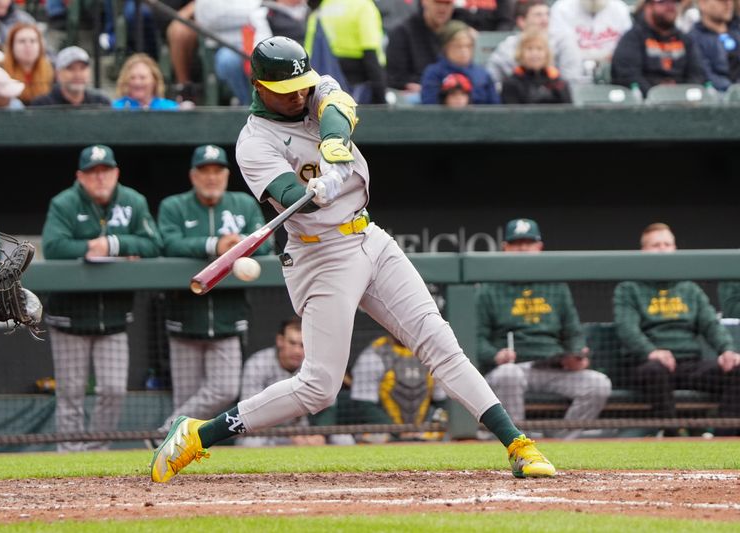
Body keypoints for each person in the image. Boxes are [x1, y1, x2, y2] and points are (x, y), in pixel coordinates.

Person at [150, 36, 556, 483]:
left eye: (301, 86)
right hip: (320, 255)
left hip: (369, 236)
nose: (299, 95)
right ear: (259, 87)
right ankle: (196, 435)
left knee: (438, 341)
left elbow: (336, 104)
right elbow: (289, 198)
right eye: (287, 90)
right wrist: (311, 193)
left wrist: (334, 149)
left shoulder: (313, 87)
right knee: (318, 388)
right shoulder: (253, 143)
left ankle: (518, 443)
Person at [41, 145, 163, 451]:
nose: (100, 178)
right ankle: (68, 455)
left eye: (105, 171)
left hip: (113, 315)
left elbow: (154, 244)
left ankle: (96, 451)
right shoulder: (65, 203)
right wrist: (88, 248)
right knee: (70, 393)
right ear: (80, 176)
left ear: (116, 173)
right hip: (69, 315)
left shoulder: (133, 201)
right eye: (93, 173)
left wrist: (112, 243)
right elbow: (54, 247)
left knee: (113, 390)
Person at [156, 144, 270, 431]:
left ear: (226, 175)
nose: (211, 177)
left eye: (217, 171)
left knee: (225, 389)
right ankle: (184, 456)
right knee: (186, 397)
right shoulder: (174, 206)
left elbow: (266, 241)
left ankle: (165, 432)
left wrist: (238, 246)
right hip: (185, 316)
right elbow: (167, 243)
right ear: (193, 176)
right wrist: (214, 245)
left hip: (227, 317)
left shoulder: (243, 204)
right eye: (204, 171)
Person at [475, 218, 611, 439]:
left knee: (598, 383)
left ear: (539, 247)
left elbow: (573, 332)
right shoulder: (489, 287)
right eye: (516, 244)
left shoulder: (555, 285)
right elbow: (475, 338)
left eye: (528, 243)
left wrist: (577, 355)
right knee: (508, 375)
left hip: (554, 368)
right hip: (513, 368)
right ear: (505, 248)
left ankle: (562, 445)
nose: (522, 249)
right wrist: (495, 355)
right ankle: (517, 443)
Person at [613, 223, 740, 436]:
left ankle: (722, 438)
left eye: (667, 244)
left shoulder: (689, 288)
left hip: (689, 365)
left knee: (737, 369)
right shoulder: (629, 288)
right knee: (654, 371)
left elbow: (711, 325)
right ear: (643, 251)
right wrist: (651, 352)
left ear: (675, 248)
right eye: (656, 245)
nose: (662, 249)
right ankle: (673, 434)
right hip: (649, 366)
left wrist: (727, 350)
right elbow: (627, 329)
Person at [237, 316, 351, 447]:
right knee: (252, 443)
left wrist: (320, 433)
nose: (297, 351)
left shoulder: (314, 364)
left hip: (303, 430)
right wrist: (290, 436)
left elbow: (329, 406)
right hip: (265, 431)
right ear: (280, 341)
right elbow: (251, 412)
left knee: (344, 439)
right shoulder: (258, 364)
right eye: (292, 343)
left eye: (302, 345)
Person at [386, 0, 501, 101]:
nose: (442, 8)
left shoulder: (461, 23)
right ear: (424, 2)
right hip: (422, 98)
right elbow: (395, 78)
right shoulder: (402, 32)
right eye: (438, 2)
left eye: (447, 3)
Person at [350, 334, 448, 441]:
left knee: (440, 431)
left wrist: (426, 427)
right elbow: (364, 405)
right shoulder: (373, 354)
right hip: (386, 432)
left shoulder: (431, 354)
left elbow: (440, 402)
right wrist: (398, 431)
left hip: (423, 430)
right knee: (371, 438)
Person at [611, 0, 706, 95]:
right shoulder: (632, 38)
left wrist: (683, 94)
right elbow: (628, 77)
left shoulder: (686, 40)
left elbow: (697, 75)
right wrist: (658, 95)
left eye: (674, 2)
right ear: (647, 7)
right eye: (662, 1)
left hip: (683, 103)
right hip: (646, 105)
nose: (670, 6)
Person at [304, 0, 388, 104]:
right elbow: (371, 54)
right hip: (360, 84)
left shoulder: (321, 8)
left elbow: (309, 54)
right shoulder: (363, 6)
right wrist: (382, 99)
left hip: (326, 86)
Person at [194, 0, 272, 106]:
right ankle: (249, 105)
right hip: (227, 46)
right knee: (228, 60)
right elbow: (209, 18)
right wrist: (256, 12)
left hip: (263, 38)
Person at [487, 0, 585, 85]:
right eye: (538, 15)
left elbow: (571, 80)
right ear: (522, 21)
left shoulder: (563, 41)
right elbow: (492, 77)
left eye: (547, 14)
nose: (545, 20)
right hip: (517, 100)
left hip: (555, 100)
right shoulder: (508, 45)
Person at [420, 20, 500, 105]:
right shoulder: (434, 74)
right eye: (458, 46)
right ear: (446, 48)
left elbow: (494, 107)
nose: (464, 51)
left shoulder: (483, 74)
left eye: (468, 46)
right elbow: (429, 107)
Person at [549, 0, 633, 80]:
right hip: (571, 74)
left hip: (612, 73)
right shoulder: (562, 8)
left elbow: (628, 47)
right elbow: (554, 48)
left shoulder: (620, 8)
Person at [501, 30, 574, 104]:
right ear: (521, 53)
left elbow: (568, 110)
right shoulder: (511, 83)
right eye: (529, 48)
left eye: (539, 49)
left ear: (546, 53)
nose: (535, 53)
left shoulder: (557, 82)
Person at [30, 46, 112, 107]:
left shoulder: (101, 103)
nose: (78, 74)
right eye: (70, 69)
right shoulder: (42, 104)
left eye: (82, 68)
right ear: (57, 73)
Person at [689, 0, 740, 91]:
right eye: (722, 0)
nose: (728, 4)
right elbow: (704, 74)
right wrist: (733, 92)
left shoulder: (737, 31)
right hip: (718, 99)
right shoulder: (693, 39)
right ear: (702, 3)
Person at [0, 23, 53, 104]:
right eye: (22, 41)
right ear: (11, 46)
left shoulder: (51, 71)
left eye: (33, 41)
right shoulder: (0, 70)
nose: (28, 45)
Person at [112, 53, 179, 110]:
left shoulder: (170, 108)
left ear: (154, 81)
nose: (137, 82)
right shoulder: (115, 108)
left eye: (142, 78)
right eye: (132, 78)